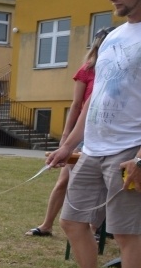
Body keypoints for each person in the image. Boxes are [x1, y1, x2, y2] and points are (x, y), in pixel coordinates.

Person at [46, 0, 141, 268]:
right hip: (94, 147)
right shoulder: (114, 38)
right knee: (71, 220)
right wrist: (69, 145)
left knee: (128, 233)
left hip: (129, 148)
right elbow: (95, 99)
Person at [25, 27, 114, 237]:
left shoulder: (120, 71)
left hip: (110, 136)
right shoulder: (87, 70)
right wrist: (66, 139)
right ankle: (46, 225)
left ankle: (95, 229)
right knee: (64, 181)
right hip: (83, 135)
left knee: (104, 186)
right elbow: (76, 106)